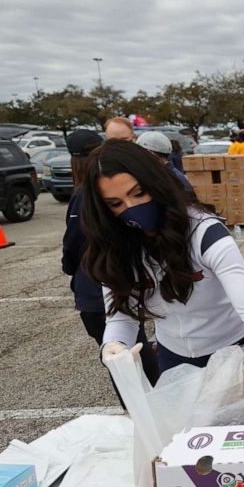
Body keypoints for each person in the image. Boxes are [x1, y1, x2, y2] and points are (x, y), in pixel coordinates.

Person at [79, 141, 244, 383]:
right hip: (173, 358)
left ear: (156, 183)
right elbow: (121, 316)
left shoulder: (205, 233)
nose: (131, 208)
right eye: (115, 204)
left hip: (236, 349)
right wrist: (113, 345)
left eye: (138, 193)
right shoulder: (116, 247)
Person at [61, 131, 155, 400]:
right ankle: (138, 412)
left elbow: (72, 244)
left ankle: (147, 408)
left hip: (103, 291)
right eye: (114, 204)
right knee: (123, 359)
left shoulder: (85, 198)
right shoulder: (87, 201)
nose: (127, 207)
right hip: (99, 294)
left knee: (138, 355)